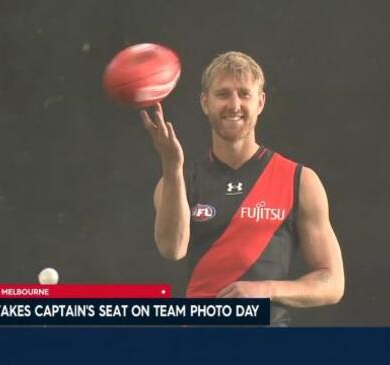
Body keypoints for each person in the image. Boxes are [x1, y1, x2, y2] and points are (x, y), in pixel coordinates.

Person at [140, 51, 344, 326]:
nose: (234, 104)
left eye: (244, 94)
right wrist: (171, 166)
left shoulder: (299, 179)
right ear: (205, 103)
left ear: (260, 102)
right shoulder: (180, 179)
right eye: (223, 94)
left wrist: (266, 290)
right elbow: (172, 249)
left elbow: (332, 282)